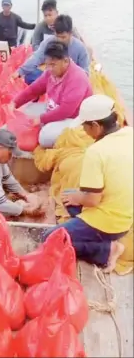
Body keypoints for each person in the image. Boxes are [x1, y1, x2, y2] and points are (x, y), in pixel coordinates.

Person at [42, 94, 133, 273]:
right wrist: (76, 196)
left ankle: (107, 250)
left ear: (96, 126)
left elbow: (92, 200)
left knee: (49, 239)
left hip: (110, 221)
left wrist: (79, 197)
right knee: (70, 196)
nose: (83, 130)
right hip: (126, 213)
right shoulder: (129, 134)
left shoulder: (96, 152)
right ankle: (90, 233)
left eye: (85, 125)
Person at [12, 40, 93, 148]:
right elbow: (34, 89)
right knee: (27, 110)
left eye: (53, 65)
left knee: (45, 138)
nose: (49, 69)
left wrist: (41, 119)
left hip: (75, 118)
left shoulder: (78, 78)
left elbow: (66, 110)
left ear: (65, 61)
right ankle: (46, 125)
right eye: (48, 64)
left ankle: (53, 131)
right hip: (54, 107)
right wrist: (15, 102)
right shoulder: (50, 72)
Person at [12, 14, 90, 85]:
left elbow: (85, 73)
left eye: (63, 37)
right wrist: (20, 71)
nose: (60, 40)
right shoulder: (49, 42)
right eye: (57, 36)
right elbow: (37, 57)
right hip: (51, 75)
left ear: (70, 34)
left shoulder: (80, 48)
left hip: (70, 79)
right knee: (29, 76)